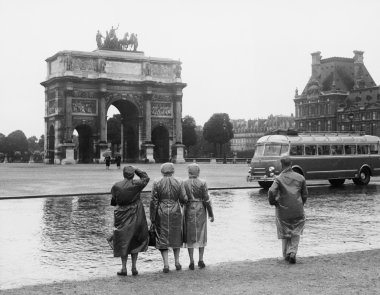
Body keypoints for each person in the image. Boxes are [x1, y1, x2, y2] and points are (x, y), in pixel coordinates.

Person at [110, 166, 150, 276]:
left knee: (124, 240)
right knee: (135, 239)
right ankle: (134, 267)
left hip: (122, 213)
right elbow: (146, 178)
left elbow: (113, 201)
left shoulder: (116, 186)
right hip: (136, 212)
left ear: (123, 174)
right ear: (133, 175)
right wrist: (137, 169)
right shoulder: (137, 184)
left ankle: (123, 268)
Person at [268, 156, 308, 264]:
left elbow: (271, 191)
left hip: (282, 210)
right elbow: (305, 194)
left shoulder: (279, 178)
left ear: (282, 165)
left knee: (284, 231)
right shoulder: (300, 178)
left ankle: (285, 254)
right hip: (298, 209)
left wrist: (273, 202)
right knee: (296, 231)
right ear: (291, 164)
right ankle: (293, 252)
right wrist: (301, 203)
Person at [150, 162, 187, 273]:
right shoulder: (179, 182)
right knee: (176, 236)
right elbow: (184, 198)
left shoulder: (157, 182)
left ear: (162, 171)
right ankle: (177, 262)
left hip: (162, 211)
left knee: (163, 237)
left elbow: (153, 201)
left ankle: (166, 264)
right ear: (173, 171)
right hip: (175, 210)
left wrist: (152, 217)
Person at [183, 163, 214, 270]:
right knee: (201, 234)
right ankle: (200, 260)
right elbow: (206, 199)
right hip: (200, 208)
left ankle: (191, 261)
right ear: (198, 172)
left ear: (188, 172)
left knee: (190, 235)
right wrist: (211, 214)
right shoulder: (203, 182)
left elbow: (182, 198)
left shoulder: (184, 183)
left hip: (189, 208)